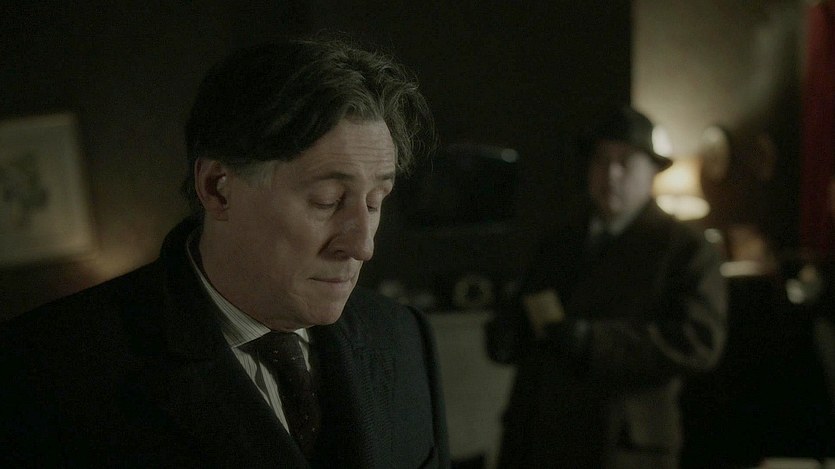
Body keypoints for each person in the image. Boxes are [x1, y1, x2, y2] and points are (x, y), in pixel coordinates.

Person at [0, 36, 449, 468]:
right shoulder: (44, 372)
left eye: (375, 201)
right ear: (218, 188)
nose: (363, 245)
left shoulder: (403, 337)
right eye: (327, 200)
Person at [485, 105, 727, 468]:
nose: (611, 173)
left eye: (625, 162)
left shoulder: (685, 249)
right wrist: (509, 331)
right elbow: (528, 314)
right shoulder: (559, 243)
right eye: (601, 160)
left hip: (622, 445)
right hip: (542, 439)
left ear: (652, 171)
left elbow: (698, 341)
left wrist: (594, 340)